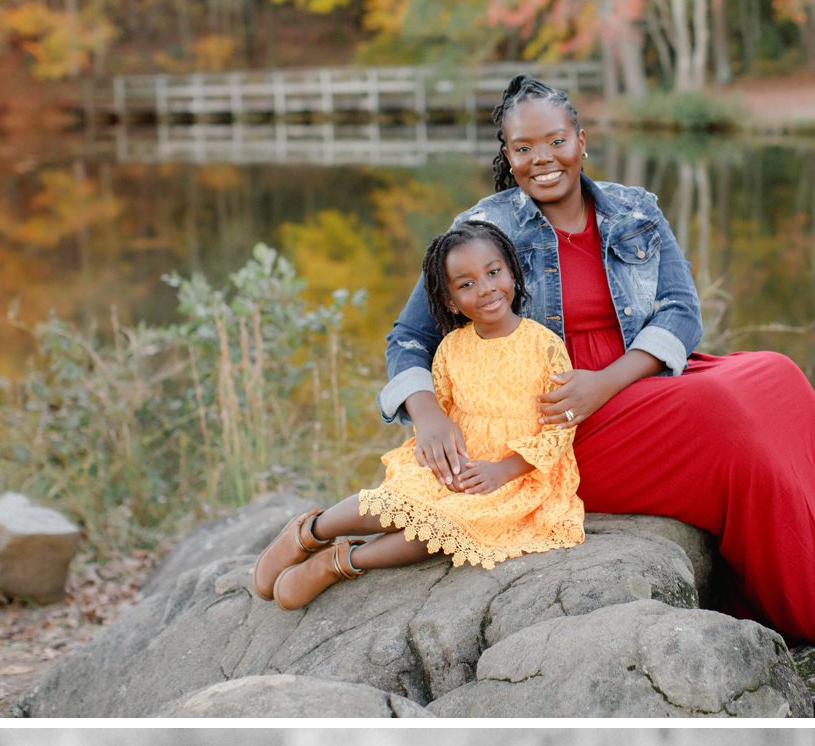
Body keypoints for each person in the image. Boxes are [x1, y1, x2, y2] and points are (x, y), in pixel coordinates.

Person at [368, 72, 815, 647]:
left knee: (777, 374)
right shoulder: (485, 229)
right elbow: (408, 337)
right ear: (507, 157)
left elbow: (681, 312)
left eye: (556, 140)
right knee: (718, 411)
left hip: (629, 376)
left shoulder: (633, 210)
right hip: (556, 419)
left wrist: (607, 381)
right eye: (523, 148)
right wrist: (429, 414)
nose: (543, 159)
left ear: (581, 140)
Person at [249, 215, 583, 610]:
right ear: (449, 300)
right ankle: (310, 531)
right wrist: (440, 462)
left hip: (515, 475)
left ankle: (342, 561)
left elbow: (561, 425)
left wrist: (503, 470)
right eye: (467, 284)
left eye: (494, 272)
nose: (487, 288)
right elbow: (439, 415)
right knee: (404, 500)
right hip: (458, 463)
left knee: (449, 526)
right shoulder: (451, 349)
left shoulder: (544, 345)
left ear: (512, 271)